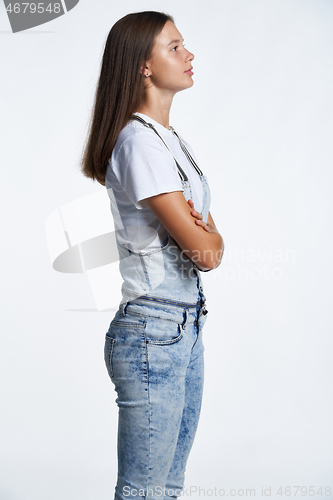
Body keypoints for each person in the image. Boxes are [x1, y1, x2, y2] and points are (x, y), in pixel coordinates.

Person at [81, 11, 224, 500]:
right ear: (144, 65)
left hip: (185, 325)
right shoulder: (139, 143)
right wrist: (204, 236)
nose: (189, 55)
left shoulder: (171, 143)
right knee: (144, 492)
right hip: (152, 332)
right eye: (175, 46)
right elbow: (206, 250)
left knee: (165, 489)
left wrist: (206, 236)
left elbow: (213, 242)